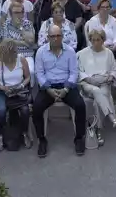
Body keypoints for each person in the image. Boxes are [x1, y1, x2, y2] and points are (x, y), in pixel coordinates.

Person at [32, 24, 89, 157]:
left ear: (62, 36)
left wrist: (66, 88)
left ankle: (79, 138)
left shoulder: (70, 51)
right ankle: (41, 139)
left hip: (66, 86)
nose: (56, 39)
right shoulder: (41, 52)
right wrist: (48, 89)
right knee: (36, 108)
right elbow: (39, 73)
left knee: (80, 105)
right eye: (53, 36)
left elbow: (74, 72)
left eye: (58, 36)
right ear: (48, 38)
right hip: (48, 86)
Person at [77, 28, 116, 146]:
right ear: (90, 40)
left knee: (98, 99)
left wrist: (109, 78)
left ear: (103, 40)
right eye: (93, 40)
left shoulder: (109, 53)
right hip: (88, 84)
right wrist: (89, 79)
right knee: (96, 90)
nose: (96, 42)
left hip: (104, 83)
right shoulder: (82, 53)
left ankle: (98, 130)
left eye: (98, 40)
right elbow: (79, 71)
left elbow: (114, 70)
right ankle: (112, 119)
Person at [0, 39, 33, 150]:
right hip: (2, 91)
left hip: (18, 90)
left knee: (25, 111)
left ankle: (24, 133)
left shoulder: (21, 60)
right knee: (1, 111)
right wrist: (3, 88)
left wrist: (22, 85)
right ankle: (1, 134)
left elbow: (28, 77)